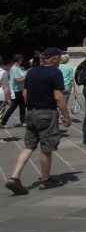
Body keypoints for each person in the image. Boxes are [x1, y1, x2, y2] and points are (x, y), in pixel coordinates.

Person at [5, 47, 71, 195]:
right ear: (54, 58)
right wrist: (66, 116)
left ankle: (14, 177)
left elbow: (25, 93)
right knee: (46, 148)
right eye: (59, 58)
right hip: (47, 112)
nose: (60, 61)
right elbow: (58, 97)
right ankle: (45, 179)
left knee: (28, 146)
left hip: (31, 112)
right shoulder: (55, 73)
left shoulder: (32, 71)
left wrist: (31, 107)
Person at [1, 55, 27, 127]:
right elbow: (18, 79)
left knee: (22, 106)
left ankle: (23, 121)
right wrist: (27, 77)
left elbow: (22, 74)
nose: (22, 61)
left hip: (19, 90)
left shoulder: (18, 68)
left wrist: (26, 72)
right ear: (19, 60)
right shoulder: (15, 68)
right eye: (21, 60)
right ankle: (3, 122)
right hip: (16, 91)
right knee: (13, 107)